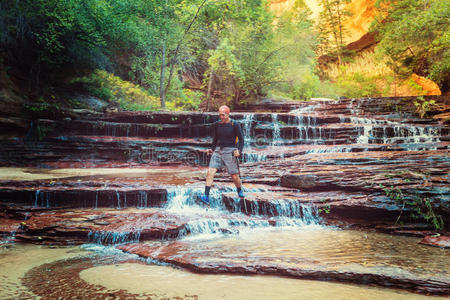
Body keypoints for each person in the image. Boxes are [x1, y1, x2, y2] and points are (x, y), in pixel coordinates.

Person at [200, 105, 244, 205]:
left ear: (228, 114)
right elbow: (215, 139)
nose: (221, 117)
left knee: (234, 176)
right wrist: (211, 149)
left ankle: (239, 189)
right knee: (210, 172)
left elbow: (241, 139)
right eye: (220, 115)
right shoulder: (217, 124)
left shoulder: (234, 124)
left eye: (223, 115)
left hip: (230, 150)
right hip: (218, 150)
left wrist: (239, 151)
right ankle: (206, 196)